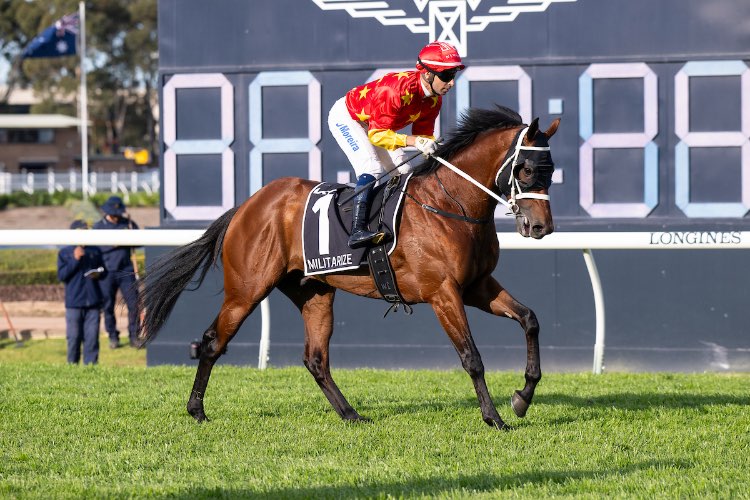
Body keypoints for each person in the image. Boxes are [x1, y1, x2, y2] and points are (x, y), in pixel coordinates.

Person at [327, 41, 465, 249]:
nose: (452, 83)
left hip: (376, 125)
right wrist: (414, 141)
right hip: (349, 118)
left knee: (404, 171)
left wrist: (431, 150)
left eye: (453, 75)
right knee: (371, 167)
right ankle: (357, 230)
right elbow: (377, 136)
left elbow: (422, 136)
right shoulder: (395, 90)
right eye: (446, 75)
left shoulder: (434, 100)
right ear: (428, 74)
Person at [92, 195, 140, 348]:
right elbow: (95, 248)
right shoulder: (98, 227)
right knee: (108, 306)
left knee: (134, 304)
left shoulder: (128, 224)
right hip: (106, 272)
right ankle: (113, 337)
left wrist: (132, 235)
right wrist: (115, 243)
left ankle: (134, 336)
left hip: (126, 271)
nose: (116, 216)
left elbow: (140, 242)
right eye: (114, 214)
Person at [57, 219, 107, 365]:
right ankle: (72, 366)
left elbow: (104, 271)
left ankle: (91, 367)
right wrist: (75, 259)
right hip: (74, 304)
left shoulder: (95, 250)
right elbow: (62, 276)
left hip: (93, 302)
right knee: (73, 337)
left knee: (92, 338)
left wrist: (99, 274)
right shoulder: (65, 252)